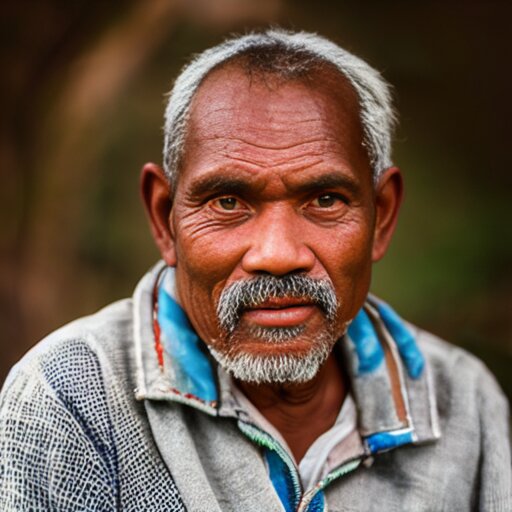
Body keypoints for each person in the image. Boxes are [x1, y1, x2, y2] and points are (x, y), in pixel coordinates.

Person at [0, 29, 510, 511]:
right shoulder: (71, 397)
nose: (277, 254)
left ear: (381, 217)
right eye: (227, 201)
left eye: (325, 199)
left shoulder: (462, 402)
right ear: (164, 218)